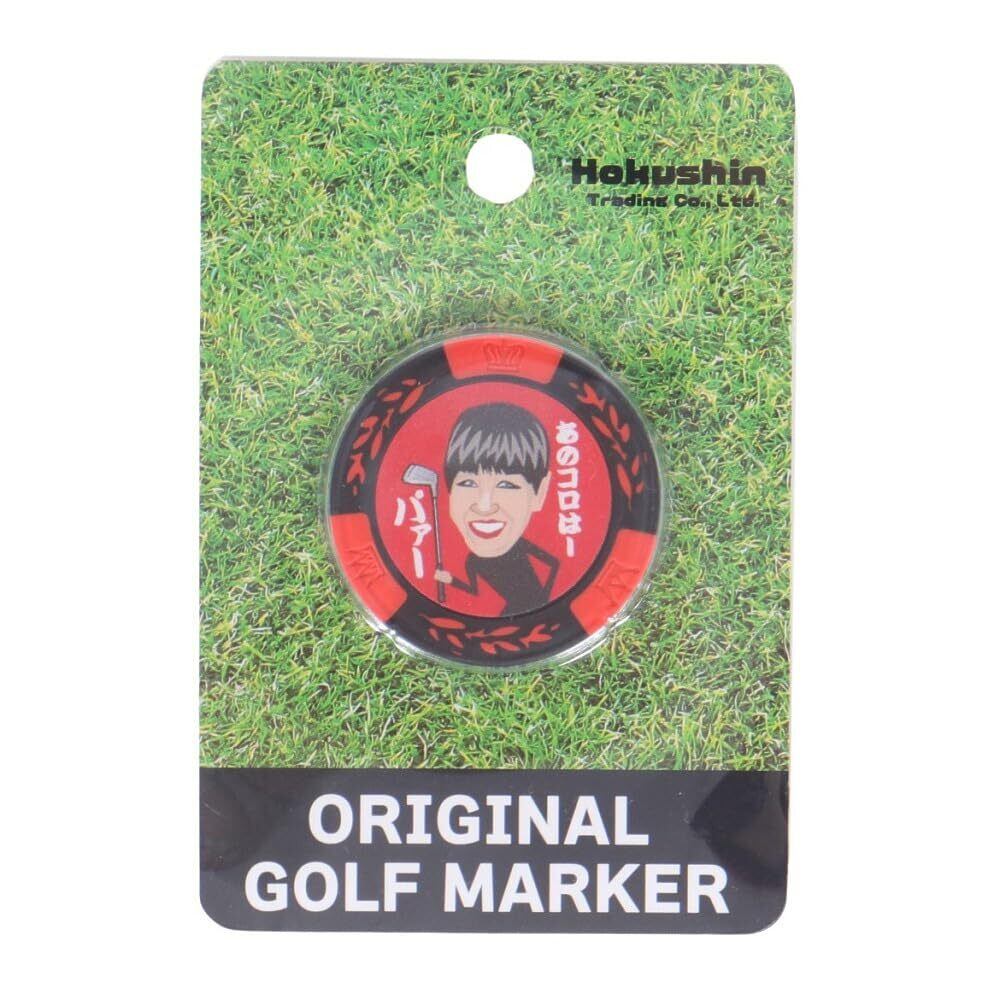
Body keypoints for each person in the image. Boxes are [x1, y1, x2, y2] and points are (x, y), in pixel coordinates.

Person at [434, 403, 559, 615]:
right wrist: (449, 580)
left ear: (540, 492)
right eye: (468, 483)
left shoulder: (534, 560)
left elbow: (552, 565)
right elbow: (475, 592)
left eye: (507, 485)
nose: (484, 506)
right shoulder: (473, 562)